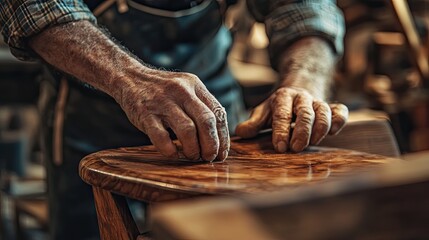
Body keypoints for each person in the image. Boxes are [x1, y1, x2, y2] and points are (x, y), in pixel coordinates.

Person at [0, 0, 348, 239]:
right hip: (90, 108)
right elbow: (31, 7)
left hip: (213, 108)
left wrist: (304, 82)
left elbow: (304, 7)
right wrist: (128, 78)